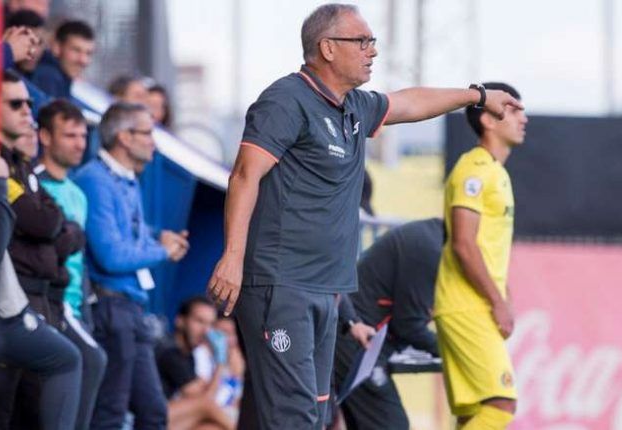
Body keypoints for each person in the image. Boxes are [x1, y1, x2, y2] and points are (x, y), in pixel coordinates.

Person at [206, 4, 522, 429]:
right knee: (294, 417)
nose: (373, 50)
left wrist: (476, 95)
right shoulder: (286, 99)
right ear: (328, 48)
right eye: (363, 41)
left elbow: (410, 103)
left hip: (325, 288)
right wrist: (232, 257)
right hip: (280, 284)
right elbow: (245, 175)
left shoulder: (355, 106)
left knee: (317, 415)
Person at [73, 102, 189, 429]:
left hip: (132, 310)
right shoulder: (95, 180)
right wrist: (162, 251)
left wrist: (158, 235)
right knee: (110, 412)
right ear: (124, 137)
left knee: (154, 412)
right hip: (110, 308)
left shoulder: (128, 180)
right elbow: (111, 255)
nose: (154, 141)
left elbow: (131, 231)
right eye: (148, 132)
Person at [0, 69, 81, 430]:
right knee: (65, 363)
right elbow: (4, 236)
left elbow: (59, 225)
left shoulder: (12, 165)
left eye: (30, 103)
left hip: (14, 300)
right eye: (16, 103)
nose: (27, 111)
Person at [434, 82, 528, 429]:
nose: (524, 118)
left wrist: (505, 296)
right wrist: (497, 301)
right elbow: (463, 243)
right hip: (465, 304)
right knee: (500, 404)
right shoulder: (473, 169)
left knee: (474, 413)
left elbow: (488, 248)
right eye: (514, 109)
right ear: (488, 120)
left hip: (476, 304)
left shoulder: (496, 172)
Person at [35, 99, 108, 430]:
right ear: (45, 137)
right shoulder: (33, 182)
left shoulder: (78, 193)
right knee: (93, 360)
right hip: (48, 304)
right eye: (70, 135)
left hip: (78, 308)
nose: (80, 143)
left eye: (82, 136)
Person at [333, 218, 444, 429]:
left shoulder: (433, 239)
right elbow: (409, 325)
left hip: (360, 336)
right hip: (357, 337)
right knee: (392, 425)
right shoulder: (429, 248)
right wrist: (453, 350)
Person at [156, 297, 236, 430]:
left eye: (210, 324)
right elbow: (206, 401)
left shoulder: (188, 354)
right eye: (199, 321)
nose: (206, 331)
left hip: (165, 417)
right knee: (206, 405)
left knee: (210, 428)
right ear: (180, 321)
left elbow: (202, 393)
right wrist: (220, 363)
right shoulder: (170, 351)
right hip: (144, 419)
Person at [31, 20, 95, 99]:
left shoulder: (62, 79)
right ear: (56, 47)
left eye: (88, 53)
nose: (83, 60)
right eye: (76, 50)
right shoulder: (48, 77)